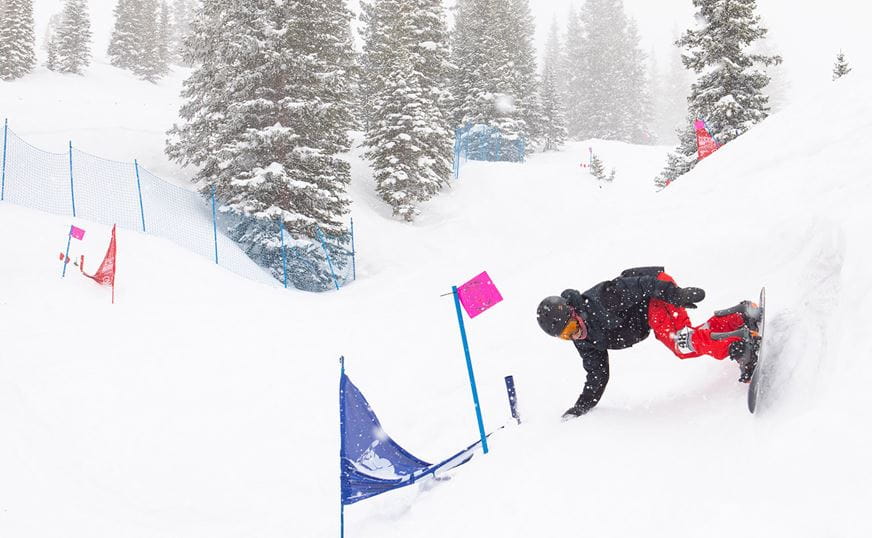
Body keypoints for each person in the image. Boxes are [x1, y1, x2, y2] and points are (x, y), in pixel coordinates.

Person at [536, 266, 761, 420]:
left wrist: (674, 295)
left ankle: (741, 346)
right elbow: (597, 373)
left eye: (571, 328)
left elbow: (639, 285)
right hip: (652, 311)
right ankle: (739, 317)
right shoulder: (585, 340)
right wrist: (582, 406)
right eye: (566, 336)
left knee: (682, 343)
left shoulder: (601, 300)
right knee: (686, 338)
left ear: (574, 312)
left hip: (655, 294)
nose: (574, 335)